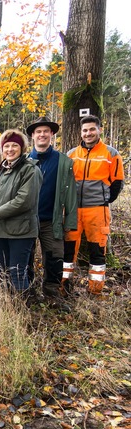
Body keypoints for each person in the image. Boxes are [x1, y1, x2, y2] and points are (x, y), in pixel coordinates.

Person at [63, 115, 125, 295]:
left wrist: (103, 200)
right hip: (73, 210)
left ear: (99, 130)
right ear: (80, 133)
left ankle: (95, 291)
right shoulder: (71, 154)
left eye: (92, 129)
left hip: (98, 210)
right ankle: (64, 288)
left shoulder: (111, 154)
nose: (88, 133)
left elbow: (117, 183)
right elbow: (65, 182)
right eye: (85, 130)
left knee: (97, 251)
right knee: (68, 251)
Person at [0, 129, 42, 292]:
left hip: (20, 232)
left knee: (16, 273)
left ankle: (20, 312)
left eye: (14, 146)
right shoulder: (0, 171)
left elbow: (23, 201)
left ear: (22, 148)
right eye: (6, 146)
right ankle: (6, 310)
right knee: (0, 273)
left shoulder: (30, 170)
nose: (10, 149)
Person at [26, 117, 77, 303]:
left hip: (51, 220)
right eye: (38, 132)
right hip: (27, 220)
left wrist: (70, 221)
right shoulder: (25, 161)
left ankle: (52, 293)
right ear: (32, 135)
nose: (42, 135)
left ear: (52, 134)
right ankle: (28, 293)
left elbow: (71, 193)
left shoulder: (63, 161)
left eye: (45, 131)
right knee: (25, 257)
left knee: (55, 257)